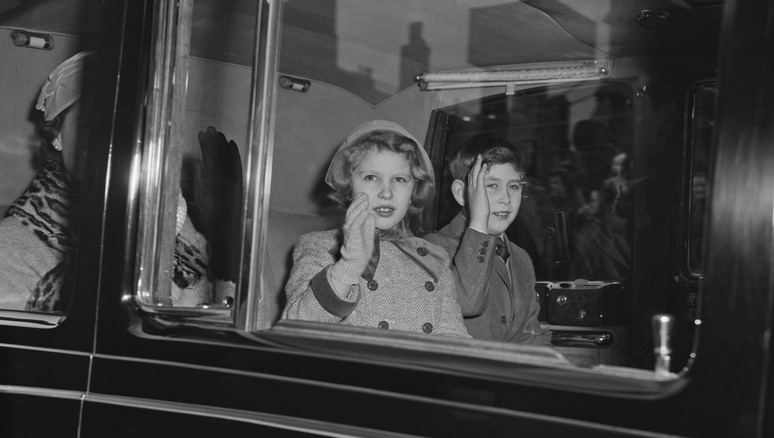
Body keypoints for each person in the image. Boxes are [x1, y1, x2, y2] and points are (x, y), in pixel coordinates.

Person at [0, 51, 229, 311]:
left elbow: (231, 328)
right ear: (57, 136)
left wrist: (228, 233)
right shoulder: (12, 248)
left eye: (129, 127)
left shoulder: (175, 220)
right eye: (93, 126)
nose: (114, 142)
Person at [282, 120, 470, 337]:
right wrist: (348, 267)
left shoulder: (434, 258)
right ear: (349, 185)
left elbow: (454, 338)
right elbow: (296, 328)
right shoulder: (318, 246)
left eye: (399, 179)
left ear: (414, 191)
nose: (387, 193)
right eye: (371, 178)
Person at [424, 133, 550, 345]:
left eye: (514, 186)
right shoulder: (433, 248)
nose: (506, 199)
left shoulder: (521, 258)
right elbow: (467, 301)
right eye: (491, 186)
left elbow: (529, 335)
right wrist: (479, 223)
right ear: (461, 193)